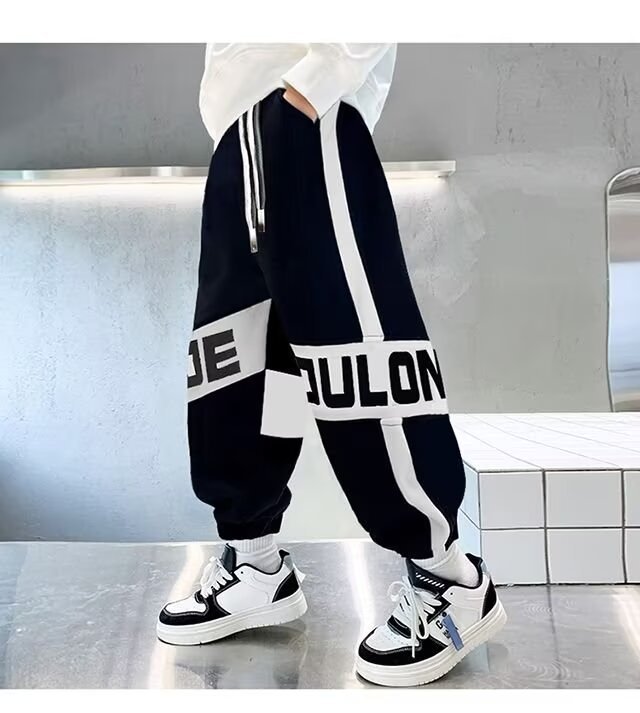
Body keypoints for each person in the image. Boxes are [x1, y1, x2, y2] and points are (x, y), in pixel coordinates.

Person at [157, 43, 506, 687]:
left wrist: (309, 90)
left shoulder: (306, 107)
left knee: (359, 358)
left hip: (305, 116)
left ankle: (451, 581)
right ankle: (256, 564)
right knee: (239, 369)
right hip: (236, 141)